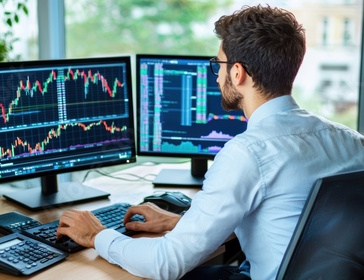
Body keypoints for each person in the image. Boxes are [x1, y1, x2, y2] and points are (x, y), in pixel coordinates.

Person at [56, 4, 364, 280]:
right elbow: (291, 222)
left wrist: (97, 235)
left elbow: (167, 264)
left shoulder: (249, 153)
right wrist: (182, 223)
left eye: (218, 65)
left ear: (238, 73)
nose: (216, 77)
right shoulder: (351, 141)